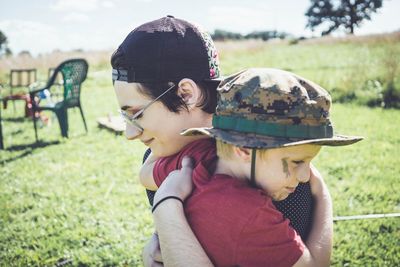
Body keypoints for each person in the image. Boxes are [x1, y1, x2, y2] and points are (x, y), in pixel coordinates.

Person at [110, 16, 324, 265]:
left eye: (137, 114)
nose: (130, 133)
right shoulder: (177, 154)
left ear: (186, 94)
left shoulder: (270, 178)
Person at [151, 68, 363, 266]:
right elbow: (316, 264)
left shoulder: (195, 158)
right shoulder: (250, 215)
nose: (307, 176)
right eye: (297, 162)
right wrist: (323, 196)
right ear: (243, 149)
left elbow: (146, 172)